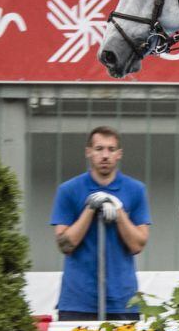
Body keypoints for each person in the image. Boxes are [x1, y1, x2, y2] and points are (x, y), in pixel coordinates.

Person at [52, 127, 151, 321]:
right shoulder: (68, 190)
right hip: (78, 301)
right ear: (88, 152)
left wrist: (119, 210)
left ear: (119, 154)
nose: (105, 155)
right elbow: (65, 245)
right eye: (99, 149)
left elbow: (137, 245)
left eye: (111, 149)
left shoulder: (136, 190)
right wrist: (89, 209)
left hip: (123, 301)